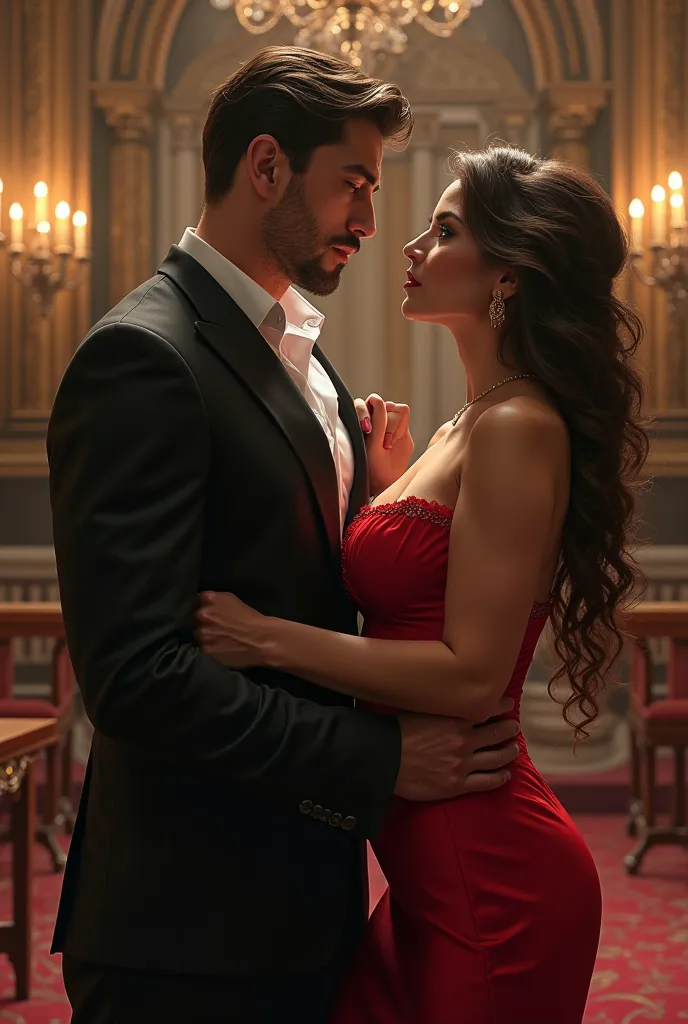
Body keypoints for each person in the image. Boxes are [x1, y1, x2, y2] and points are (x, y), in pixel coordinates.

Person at [46, 50, 521, 1024]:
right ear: (266, 168)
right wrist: (378, 761)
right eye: (352, 183)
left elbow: (296, 576)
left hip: (303, 903)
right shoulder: (143, 355)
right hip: (184, 933)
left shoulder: (302, 354)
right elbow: (136, 677)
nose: (369, 219)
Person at [195, 146, 650, 1023]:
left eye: (443, 231)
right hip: (428, 877)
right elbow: (420, 594)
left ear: (509, 274)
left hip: (495, 879)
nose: (407, 245)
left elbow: (473, 675)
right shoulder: (465, 422)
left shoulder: (518, 426)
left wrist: (264, 638)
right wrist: (384, 487)